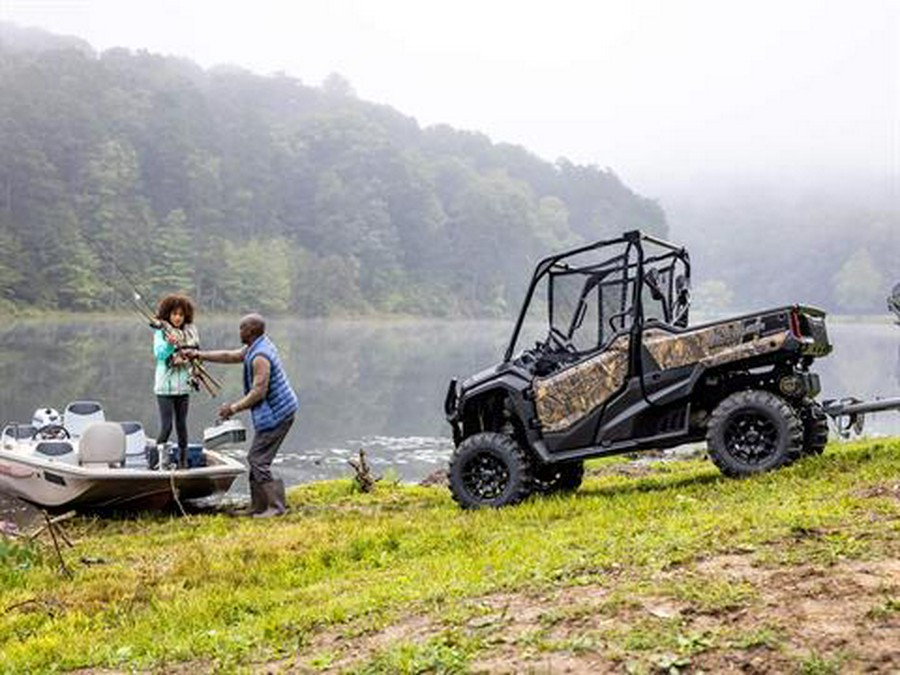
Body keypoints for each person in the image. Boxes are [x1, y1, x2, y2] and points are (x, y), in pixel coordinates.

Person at [185, 313, 298, 517]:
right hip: (276, 412)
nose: (239, 331)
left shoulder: (260, 357)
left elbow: (258, 392)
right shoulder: (256, 346)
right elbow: (230, 356)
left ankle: (275, 507)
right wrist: (199, 355)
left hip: (279, 414)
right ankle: (258, 507)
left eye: (242, 328)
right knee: (256, 458)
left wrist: (233, 408)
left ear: (251, 331)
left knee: (258, 460)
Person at [153, 293, 200, 469]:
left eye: (181, 314)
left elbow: (196, 354)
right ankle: (156, 462)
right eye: (174, 314)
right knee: (167, 426)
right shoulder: (161, 332)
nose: (177, 318)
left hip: (183, 388)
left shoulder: (189, 332)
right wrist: (170, 344)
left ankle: (183, 462)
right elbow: (159, 354)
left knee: (182, 425)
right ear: (167, 314)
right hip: (165, 387)